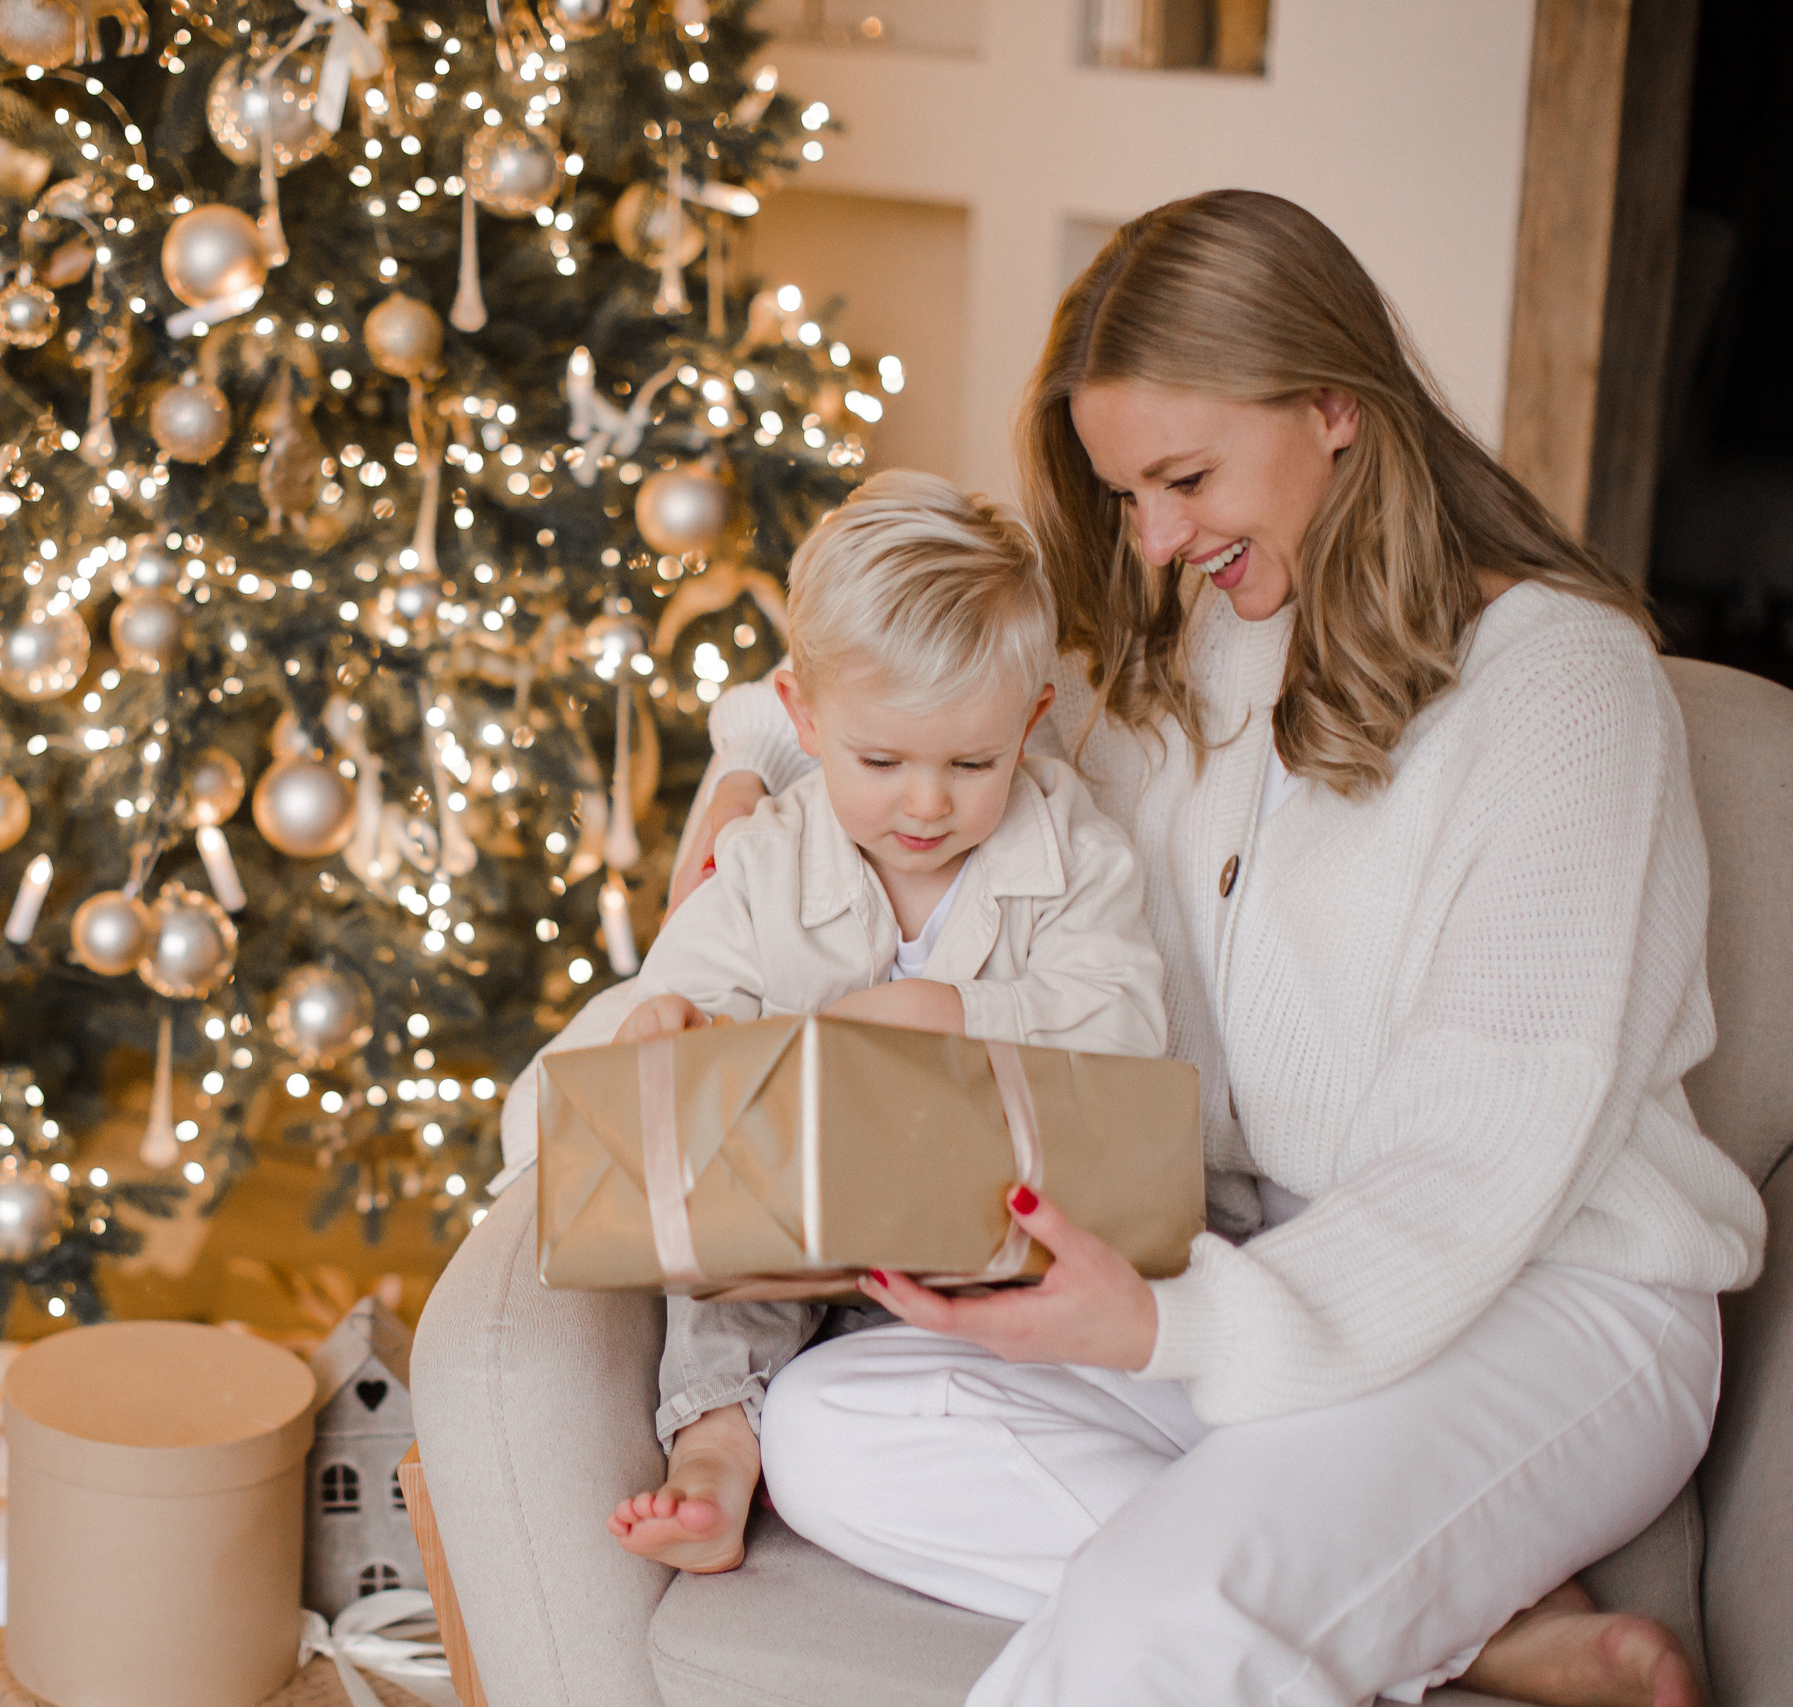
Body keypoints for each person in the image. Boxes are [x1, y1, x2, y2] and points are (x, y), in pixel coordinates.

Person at [654, 190, 1766, 1706]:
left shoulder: (1567, 690)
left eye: (1184, 476)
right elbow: (915, 681)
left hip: (1546, 1295)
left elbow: (1481, 1158)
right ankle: (1471, 1624)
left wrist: (1170, 1321)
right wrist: (746, 763)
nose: (1160, 538)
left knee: (1150, 1616)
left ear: (1334, 404)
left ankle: (1305, 1588)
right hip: (1258, 1268)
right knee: (832, 1424)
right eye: (1126, 495)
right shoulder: (1193, 645)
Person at [587, 472, 1167, 1575]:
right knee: (719, 1290)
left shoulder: (1073, 852)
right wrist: (671, 1023)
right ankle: (714, 1451)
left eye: (971, 763)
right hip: (809, 1244)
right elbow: (686, 1006)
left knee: (1074, 1295)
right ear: (803, 720)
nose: (927, 804)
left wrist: (945, 1012)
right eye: (882, 761)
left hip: (998, 1241)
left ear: (1032, 722)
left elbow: (1127, 1024)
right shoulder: (765, 859)